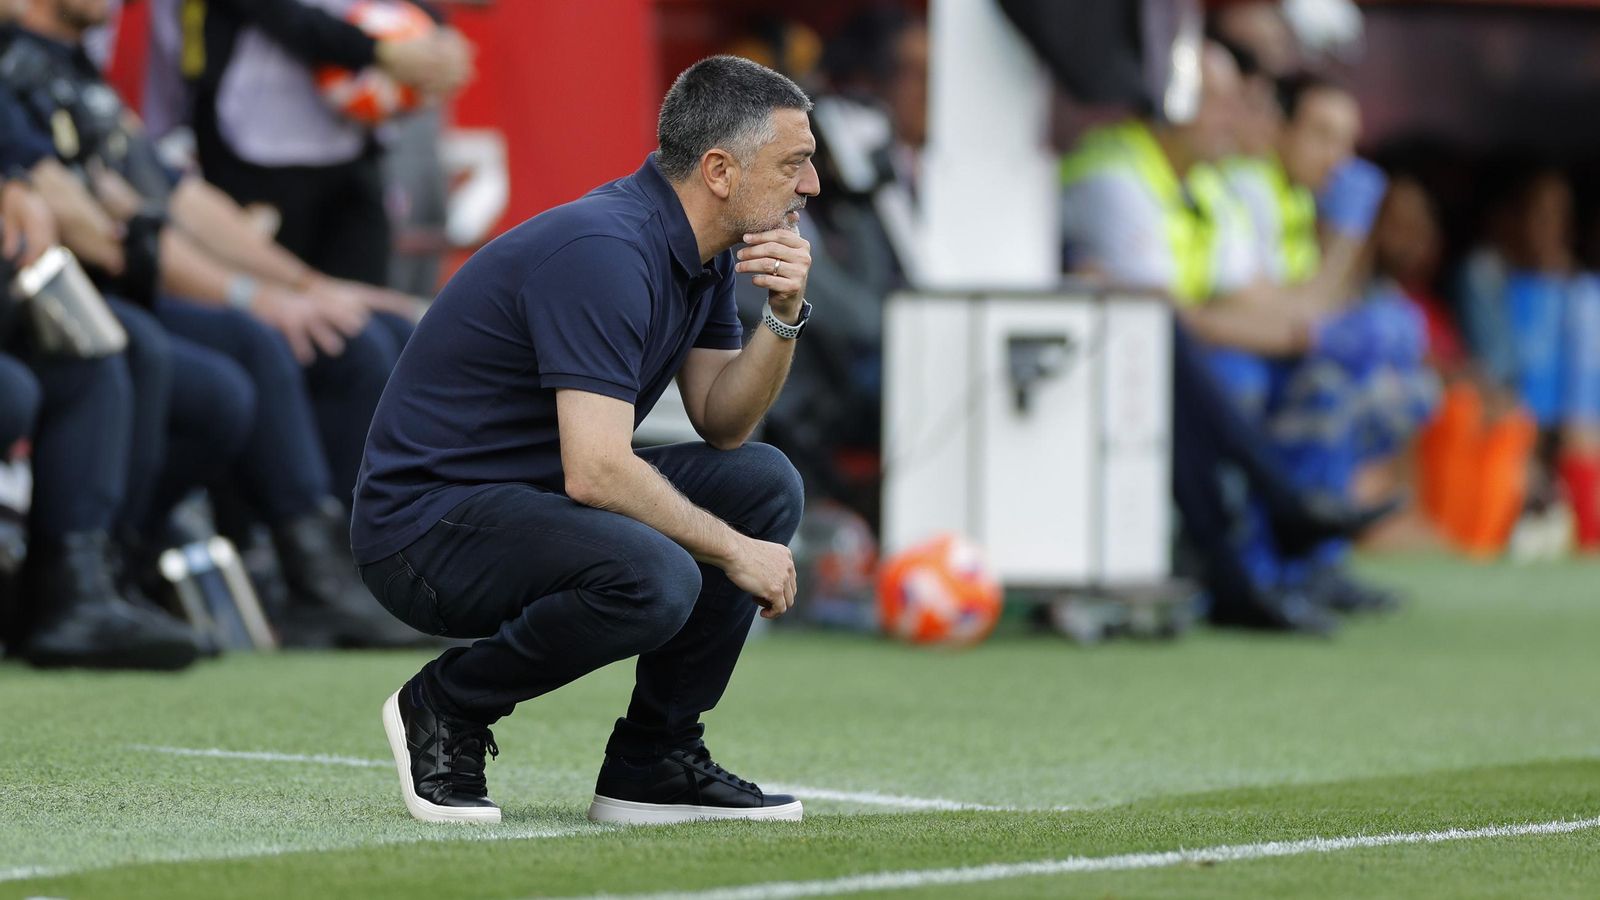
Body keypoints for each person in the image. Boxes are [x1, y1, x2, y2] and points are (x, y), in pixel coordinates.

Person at [354, 56, 814, 825]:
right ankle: (446, 704)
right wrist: (735, 551)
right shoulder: (606, 250)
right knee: (660, 576)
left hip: (529, 505)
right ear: (720, 170)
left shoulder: (702, 253)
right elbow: (597, 471)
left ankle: (653, 762)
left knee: (762, 483)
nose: (810, 187)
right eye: (794, 164)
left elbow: (724, 420)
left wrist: (785, 312)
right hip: (423, 531)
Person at [1060, 43, 1391, 633]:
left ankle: (1264, 560)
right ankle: (1274, 531)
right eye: (1215, 101)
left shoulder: (1205, 183)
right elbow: (1170, 317)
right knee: (1214, 372)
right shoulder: (1115, 172)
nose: (1233, 118)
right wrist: (1292, 335)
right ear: (1170, 98)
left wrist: (1300, 330)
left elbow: (1264, 302)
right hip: (1088, 368)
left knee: (1311, 369)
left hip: (1166, 357)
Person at [184, 0, 472, 289]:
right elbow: (281, 16)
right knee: (277, 304)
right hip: (257, 155)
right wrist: (379, 51)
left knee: (367, 311)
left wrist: (432, 40)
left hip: (350, 153)